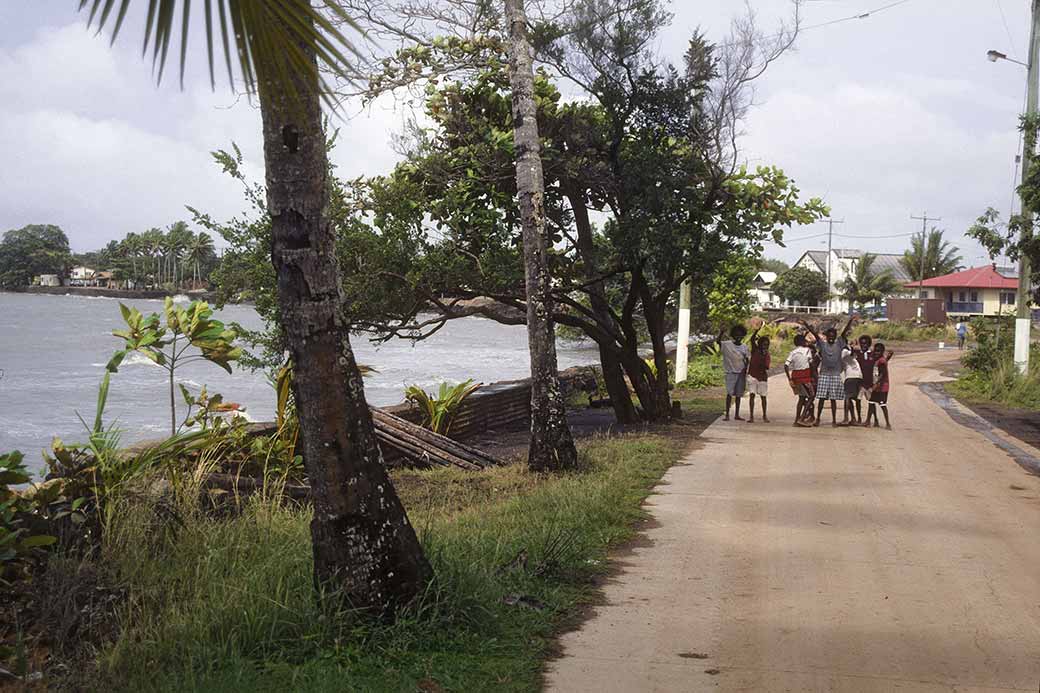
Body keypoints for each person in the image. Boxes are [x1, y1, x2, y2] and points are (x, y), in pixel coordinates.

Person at [800, 317, 854, 427]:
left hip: (835, 375)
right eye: (829, 336)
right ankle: (818, 419)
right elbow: (815, 334)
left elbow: (844, 333)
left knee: (833, 399)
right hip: (824, 374)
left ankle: (834, 420)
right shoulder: (822, 345)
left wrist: (850, 321)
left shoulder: (839, 344)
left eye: (833, 336)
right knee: (822, 399)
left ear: (835, 337)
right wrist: (806, 323)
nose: (831, 337)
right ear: (827, 337)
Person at [718, 324, 749, 421]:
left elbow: (747, 359)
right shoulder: (727, 344)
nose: (738, 337)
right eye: (736, 335)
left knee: (739, 394)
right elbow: (718, 342)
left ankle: (737, 414)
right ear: (733, 335)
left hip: (741, 373)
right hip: (730, 372)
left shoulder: (744, 347)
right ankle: (727, 414)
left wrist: (746, 370)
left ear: (743, 336)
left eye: (740, 336)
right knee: (729, 393)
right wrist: (721, 332)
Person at [784, 333, 815, 427]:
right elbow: (811, 363)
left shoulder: (793, 352)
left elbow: (786, 365)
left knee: (801, 398)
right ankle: (801, 418)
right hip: (805, 376)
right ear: (803, 342)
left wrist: (789, 379)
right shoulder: (807, 350)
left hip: (795, 377)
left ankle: (797, 420)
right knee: (811, 396)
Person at [864, 342, 894, 429]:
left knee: (882, 404)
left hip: (882, 386)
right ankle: (869, 421)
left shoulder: (881, 361)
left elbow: (883, 374)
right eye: (875, 351)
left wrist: (876, 384)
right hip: (877, 385)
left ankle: (888, 423)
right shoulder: (879, 359)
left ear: (882, 352)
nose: (876, 353)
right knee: (871, 402)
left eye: (878, 351)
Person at [747, 334, 771, 423]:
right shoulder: (755, 350)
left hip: (762, 377)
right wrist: (757, 330)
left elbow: (766, 367)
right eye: (764, 344)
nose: (766, 346)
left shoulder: (767, 355)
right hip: (752, 375)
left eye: (767, 345)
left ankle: (764, 415)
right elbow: (752, 339)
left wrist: (764, 357)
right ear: (760, 344)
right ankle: (751, 416)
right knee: (752, 395)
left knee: (763, 396)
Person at [840, 340, 863, 425]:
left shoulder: (844, 351)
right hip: (858, 376)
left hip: (851, 377)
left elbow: (851, 354)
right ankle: (856, 418)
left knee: (847, 398)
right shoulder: (847, 352)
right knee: (855, 399)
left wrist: (853, 348)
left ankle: (846, 418)